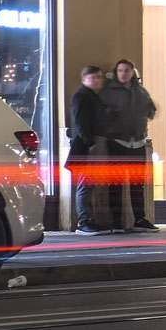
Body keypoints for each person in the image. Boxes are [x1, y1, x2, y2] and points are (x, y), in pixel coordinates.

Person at [99, 58, 160, 233]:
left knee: (137, 185)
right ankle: (116, 222)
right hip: (118, 142)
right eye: (121, 70)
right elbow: (101, 115)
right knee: (116, 185)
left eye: (127, 70)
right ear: (116, 73)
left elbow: (151, 110)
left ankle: (140, 219)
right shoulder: (109, 92)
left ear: (133, 73)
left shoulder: (140, 91)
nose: (124, 73)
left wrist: (147, 114)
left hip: (138, 143)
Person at [66, 65, 107, 234]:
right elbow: (80, 121)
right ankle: (83, 222)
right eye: (93, 77)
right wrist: (90, 141)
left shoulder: (91, 96)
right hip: (85, 145)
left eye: (98, 77)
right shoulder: (81, 96)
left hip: (90, 142)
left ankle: (89, 219)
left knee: (89, 184)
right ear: (84, 79)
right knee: (85, 184)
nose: (97, 80)